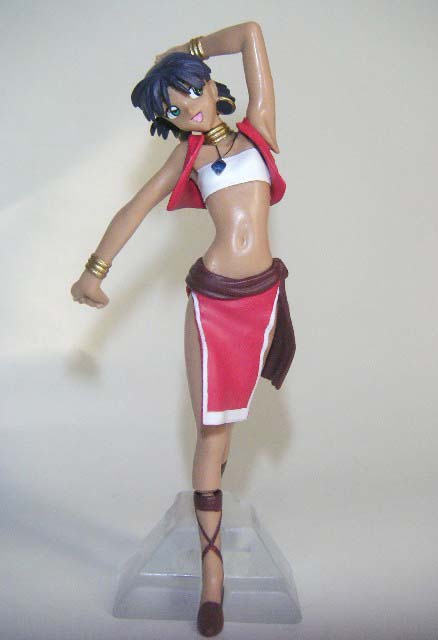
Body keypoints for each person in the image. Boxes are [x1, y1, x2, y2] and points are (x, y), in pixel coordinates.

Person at [70, 21, 295, 637]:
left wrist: (184, 51)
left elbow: (250, 33)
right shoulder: (186, 157)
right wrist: (94, 271)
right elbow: (136, 206)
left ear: (212, 88)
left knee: (232, 423)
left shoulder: (258, 129)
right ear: (166, 121)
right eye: (173, 108)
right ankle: (212, 573)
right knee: (212, 431)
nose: (188, 109)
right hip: (215, 301)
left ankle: (213, 520)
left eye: (193, 92)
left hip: (263, 296)